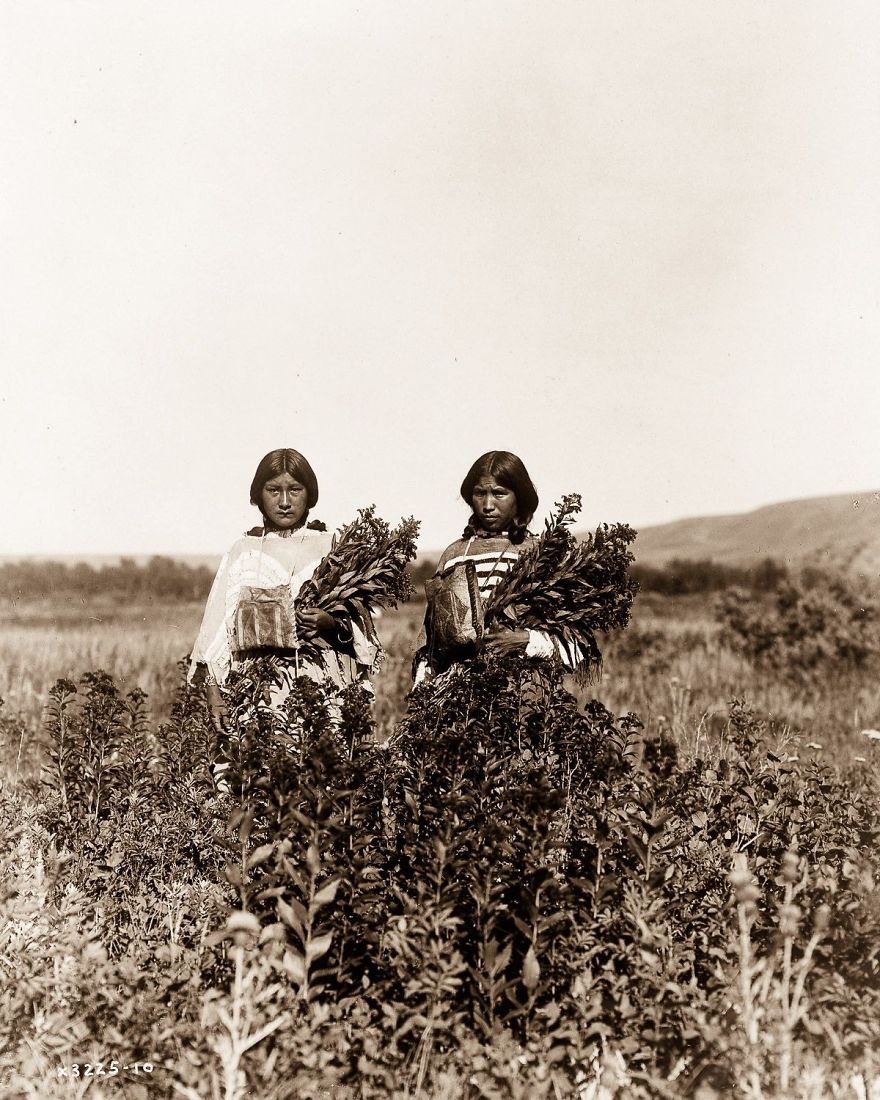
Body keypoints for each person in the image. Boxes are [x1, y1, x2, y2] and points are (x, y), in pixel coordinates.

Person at [189, 448, 380, 736]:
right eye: (273, 490)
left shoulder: (333, 547)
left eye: (295, 489)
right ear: (258, 495)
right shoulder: (243, 551)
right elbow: (216, 630)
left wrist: (329, 623)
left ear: (310, 493)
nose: (285, 502)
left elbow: (362, 625)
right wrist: (214, 692)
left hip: (320, 682)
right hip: (257, 688)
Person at [412, 450, 575, 685]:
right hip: (458, 695)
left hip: (522, 691)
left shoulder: (541, 554)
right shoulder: (454, 555)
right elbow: (431, 642)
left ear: (520, 498)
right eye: (480, 493)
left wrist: (526, 640)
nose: (488, 505)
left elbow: (574, 644)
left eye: (499, 493)